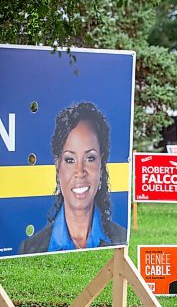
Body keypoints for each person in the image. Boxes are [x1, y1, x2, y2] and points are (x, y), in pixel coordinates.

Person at [19, 102, 127, 254]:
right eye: (70, 160)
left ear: (101, 165)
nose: (80, 171)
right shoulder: (30, 249)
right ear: (58, 166)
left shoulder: (121, 239)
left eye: (90, 158)